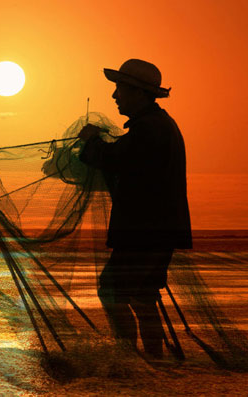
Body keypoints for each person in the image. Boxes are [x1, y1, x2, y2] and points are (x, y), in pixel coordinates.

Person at [78, 59, 192, 359]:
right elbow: (124, 158)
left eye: (119, 89)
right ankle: (154, 360)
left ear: (139, 93)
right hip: (160, 230)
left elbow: (115, 158)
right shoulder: (157, 125)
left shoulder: (149, 129)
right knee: (143, 296)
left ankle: (128, 359)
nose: (115, 96)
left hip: (144, 232)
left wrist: (92, 142)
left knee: (112, 291)